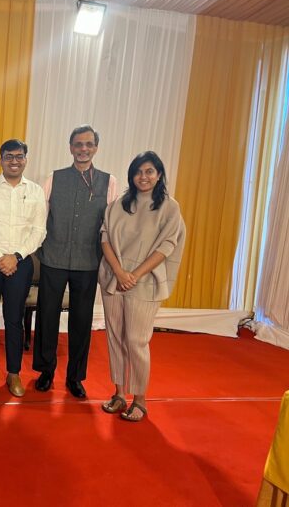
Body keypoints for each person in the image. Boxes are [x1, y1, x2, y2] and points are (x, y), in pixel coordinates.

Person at [99, 151, 185, 421]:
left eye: (149, 171)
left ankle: (140, 399)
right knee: (115, 338)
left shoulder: (169, 207)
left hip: (145, 282)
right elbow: (104, 238)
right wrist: (119, 272)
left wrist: (133, 275)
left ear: (159, 175)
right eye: (138, 172)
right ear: (131, 176)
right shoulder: (118, 205)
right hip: (114, 280)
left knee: (136, 340)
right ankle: (119, 393)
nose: (143, 177)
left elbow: (166, 246)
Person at [32, 125, 117, 398]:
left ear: (96, 148)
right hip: (53, 258)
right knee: (47, 317)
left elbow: (111, 224)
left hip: (88, 261)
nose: (83, 149)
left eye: (89, 144)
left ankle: (75, 376)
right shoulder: (53, 178)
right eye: (78, 144)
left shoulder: (109, 181)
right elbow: (40, 217)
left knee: (81, 322)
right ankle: (46, 371)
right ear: (70, 147)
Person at [0, 139, 47, 397]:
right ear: (1, 159)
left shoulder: (35, 191)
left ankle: (14, 373)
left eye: (19, 156)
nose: (14, 161)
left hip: (21, 263)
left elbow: (39, 231)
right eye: (8, 156)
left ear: (26, 159)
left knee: (15, 320)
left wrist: (16, 256)